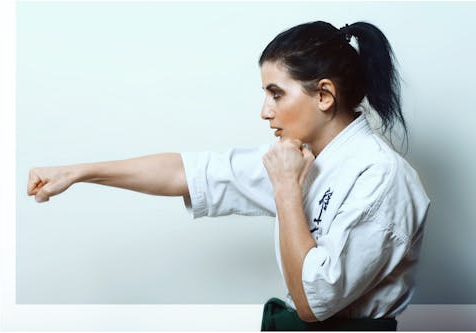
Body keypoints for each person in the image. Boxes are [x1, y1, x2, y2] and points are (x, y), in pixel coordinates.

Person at [27, 20, 430, 331]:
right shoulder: (301, 157)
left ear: (324, 95)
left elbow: (313, 302)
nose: (264, 111)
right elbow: (187, 173)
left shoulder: (380, 176)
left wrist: (286, 190)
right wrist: (78, 172)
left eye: (276, 93)